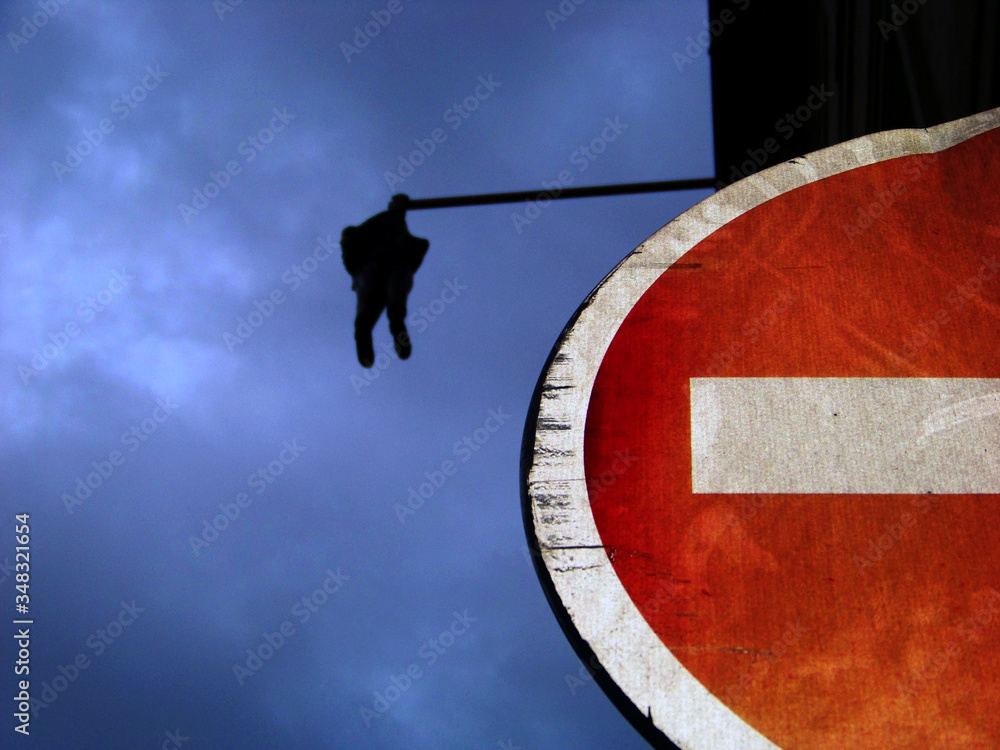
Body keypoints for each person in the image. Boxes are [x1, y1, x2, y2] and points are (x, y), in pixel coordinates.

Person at [340, 194, 429, 367]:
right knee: (383, 298)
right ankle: (375, 328)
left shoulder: (381, 231)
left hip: (388, 264)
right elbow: (349, 256)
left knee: (389, 297)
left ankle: (390, 325)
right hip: (384, 263)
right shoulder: (375, 230)